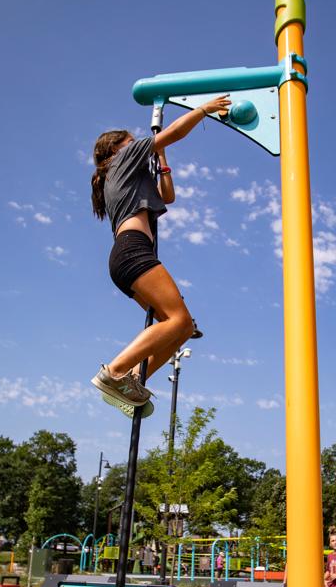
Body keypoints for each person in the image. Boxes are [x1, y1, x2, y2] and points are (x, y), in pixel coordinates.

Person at [88, 96, 232, 418]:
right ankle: (115, 371)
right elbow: (176, 132)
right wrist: (203, 110)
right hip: (133, 251)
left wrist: (161, 156)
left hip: (126, 257)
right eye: (131, 141)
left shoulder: (127, 174)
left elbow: (168, 195)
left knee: (180, 328)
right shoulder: (121, 161)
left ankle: (135, 382)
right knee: (179, 320)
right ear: (116, 149)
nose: (137, 143)